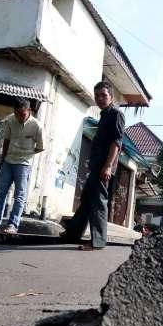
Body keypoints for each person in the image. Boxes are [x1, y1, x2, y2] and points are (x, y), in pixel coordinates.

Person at [61, 81, 125, 250]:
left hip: (104, 167)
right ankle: (72, 234)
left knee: (98, 203)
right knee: (86, 200)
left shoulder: (115, 114)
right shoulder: (104, 114)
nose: (100, 98)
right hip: (97, 166)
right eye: (97, 96)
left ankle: (97, 242)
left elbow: (116, 143)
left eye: (104, 95)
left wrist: (108, 166)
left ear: (111, 96)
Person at [0, 98, 44, 234]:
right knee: (0, 193)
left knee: (19, 196)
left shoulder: (37, 126)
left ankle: (13, 225)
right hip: (8, 161)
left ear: (29, 111)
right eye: (17, 113)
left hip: (24, 164)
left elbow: (41, 147)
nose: (19, 117)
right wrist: (3, 158)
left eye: (22, 114)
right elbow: (6, 140)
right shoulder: (11, 120)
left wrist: (28, 153)